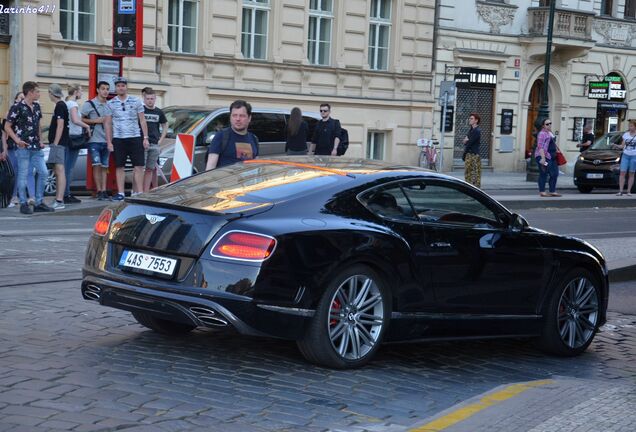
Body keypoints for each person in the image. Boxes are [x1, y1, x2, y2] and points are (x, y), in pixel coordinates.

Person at [3, 81, 53, 214]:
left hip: (36, 147)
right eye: (37, 91)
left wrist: (42, 140)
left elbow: (38, 125)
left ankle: (39, 202)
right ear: (30, 92)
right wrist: (17, 140)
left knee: (44, 172)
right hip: (23, 146)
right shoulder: (17, 107)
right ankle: (23, 203)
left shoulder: (36, 106)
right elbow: (7, 126)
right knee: (23, 175)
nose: (39, 93)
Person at [104, 77, 150, 201]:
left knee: (139, 166)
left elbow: (142, 120)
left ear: (126, 87)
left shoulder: (136, 101)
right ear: (116, 88)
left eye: (123, 85)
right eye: (118, 86)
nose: (121, 88)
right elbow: (108, 123)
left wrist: (145, 137)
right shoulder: (110, 103)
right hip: (119, 139)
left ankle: (139, 192)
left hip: (135, 137)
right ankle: (121, 193)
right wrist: (109, 142)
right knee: (119, 166)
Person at [1, 92, 35, 207]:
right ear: (16, 99)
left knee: (26, 171)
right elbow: (5, 130)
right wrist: (4, 146)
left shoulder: (28, 109)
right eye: (20, 98)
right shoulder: (11, 111)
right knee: (14, 172)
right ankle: (13, 196)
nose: (22, 99)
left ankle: (30, 197)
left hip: (24, 144)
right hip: (13, 145)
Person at [81, 81, 112, 200]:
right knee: (97, 165)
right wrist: (95, 121)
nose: (105, 91)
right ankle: (98, 190)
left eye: (107, 89)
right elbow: (81, 119)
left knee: (105, 166)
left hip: (106, 139)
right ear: (98, 90)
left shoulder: (109, 105)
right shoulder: (89, 104)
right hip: (94, 139)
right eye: (103, 88)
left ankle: (104, 190)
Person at [205, 100, 259, 170]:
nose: (238, 119)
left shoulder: (254, 139)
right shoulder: (221, 136)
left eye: (242, 116)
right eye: (234, 115)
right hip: (226, 180)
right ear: (230, 117)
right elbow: (210, 168)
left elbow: (256, 166)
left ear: (249, 118)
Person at [65, 85, 91, 204]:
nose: (82, 93)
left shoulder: (66, 103)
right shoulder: (73, 104)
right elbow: (75, 120)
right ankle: (67, 193)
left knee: (66, 166)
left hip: (67, 136)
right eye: (81, 91)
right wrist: (87, 126)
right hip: (74, 137)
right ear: (75, 92)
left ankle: (65, 192)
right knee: (69, 167)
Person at [47, 84, 71, 210]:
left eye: (49, 93)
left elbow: (60, 125)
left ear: (52, 93)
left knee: (60, 171)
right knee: (57, 171)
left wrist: (55, 143)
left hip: (59, 143)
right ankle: (58, 198)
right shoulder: (61, 105)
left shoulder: (60, 106)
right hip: (60, 143)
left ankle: (59, 200)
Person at [142, 88, 168, 192]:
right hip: (142, 143)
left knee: (150, 169)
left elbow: (165, 125)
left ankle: (146, 191)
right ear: (144, 99)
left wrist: (161, 140)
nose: (150, 100)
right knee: (140, 169)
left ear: (155, 99)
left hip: (154, 144)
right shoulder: (141, 111)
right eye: (148, 98)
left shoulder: (159, 112)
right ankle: (139, 191)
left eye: (152, 98)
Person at [535, 118, 561, 197]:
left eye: (550, 123)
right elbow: (540, 147)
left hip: (552, 157)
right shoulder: (542, 134)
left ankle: (552, 191)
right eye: (547, 124)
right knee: (544, 173)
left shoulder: (550, 133)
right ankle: (542, 191)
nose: (549, 125)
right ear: (543, 126)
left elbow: (552, 143)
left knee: (555, 173)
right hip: (544, 157)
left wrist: (556, 150)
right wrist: (543, 158)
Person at [613, 119, 636, 196]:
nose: (630, 127)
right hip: (625, 155)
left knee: (631, 173)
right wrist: (616, 146)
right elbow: (622, 146)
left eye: (631, 126)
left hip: (634, 156)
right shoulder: (626, 134)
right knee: (622, 173)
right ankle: (620, 191)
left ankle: (629, 191)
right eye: (629, 126)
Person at [462, 113, 482, 188]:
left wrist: (466, 141)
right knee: (468, 174)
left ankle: (476, 192)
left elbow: (469, 142)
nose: (469, 120)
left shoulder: (477, 131)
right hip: (469, 155)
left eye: (471, 118)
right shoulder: (471, 130)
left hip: (474, 156)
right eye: (469, 118)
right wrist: (466, 141)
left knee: (475, 176)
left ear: (476, 120)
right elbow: (465, 141)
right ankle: (469, 190)